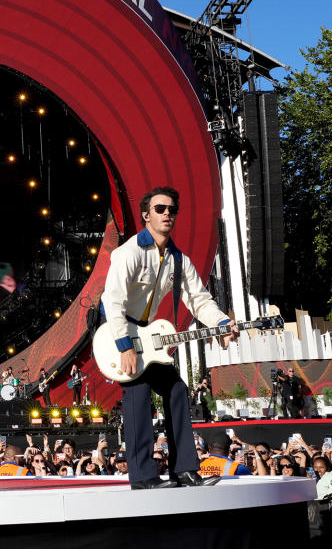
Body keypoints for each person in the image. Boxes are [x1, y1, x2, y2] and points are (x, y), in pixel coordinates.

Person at [101, 186, 239, 490]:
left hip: (147, 335)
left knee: (177, 390)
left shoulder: (179, 259)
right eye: (160, 209)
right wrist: (124, 346)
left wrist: (222, 322)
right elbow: (112, 302)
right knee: (137, 397)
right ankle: (143, 477)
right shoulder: (130, 252)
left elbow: (199, 300)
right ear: (146, 215)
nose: (167, 214)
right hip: (118, 330)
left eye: (172, 210)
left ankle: (184, 471)